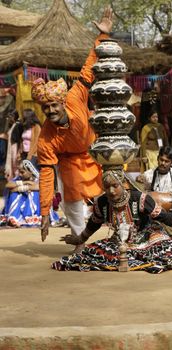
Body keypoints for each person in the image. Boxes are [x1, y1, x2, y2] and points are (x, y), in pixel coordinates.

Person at [31, 7, 113, 243]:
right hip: (70, 164)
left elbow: (89, 67)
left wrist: (102, 36)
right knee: (73, 200)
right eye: (46, 108)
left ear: (61, 102)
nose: (50, 111)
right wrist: (45, 212)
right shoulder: (46, 137)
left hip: (97, 153)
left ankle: (118, 236)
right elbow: (46, 175)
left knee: (113, 193)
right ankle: (80, 240)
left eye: (54, 106)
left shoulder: (76, 95)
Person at [51, 169, 172, 273]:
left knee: (167, 253)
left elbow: (166, 217)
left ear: (124, 184)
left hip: (147, 236)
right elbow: (93, 225)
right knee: (91, 254)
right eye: (107, 187)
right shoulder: (102, 203)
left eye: (115, 186)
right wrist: (79, 239)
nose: (111, 191)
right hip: (119, 241)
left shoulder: (140, 198)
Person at [137, 146, 172, 221]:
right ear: (157, 158)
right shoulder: (148, 175)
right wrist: (139, 182)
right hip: (153, 212)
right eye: (161, 160)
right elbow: (142, 195)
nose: (163, 163)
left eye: (166, 161)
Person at [0, 160, 59, 227]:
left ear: (30, 172)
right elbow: (8, 185)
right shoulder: (19, 178)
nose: (20, 174)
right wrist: (25, 183)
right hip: (22, 201)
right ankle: (14, 218)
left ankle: (30, 217)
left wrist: (22, 188)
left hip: (35, 205)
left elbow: (40, 187)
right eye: (19, 172)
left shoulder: (38, 178)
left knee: (34, 193)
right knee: (14, 194)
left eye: (22, 172)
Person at [140, 106, 168, 172]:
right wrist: (144, 156)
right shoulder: (146, 128)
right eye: (153, 117)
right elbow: (143, 142)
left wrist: (166, 151)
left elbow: (165, 139)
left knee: (161, 169)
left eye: (156, 117)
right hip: (150, 153)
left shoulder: (161, 126)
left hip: (160, 151)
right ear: (149, 118)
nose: (155, 119)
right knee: (153, 170)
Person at [5, 109, 23, 180]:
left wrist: (19, 151)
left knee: (15, 165)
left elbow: (20, 139)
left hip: (15, 148)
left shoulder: (18, 125)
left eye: (9, 117)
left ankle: (17, 180)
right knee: (12, 165)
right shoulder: (13, 125)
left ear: (13, 116)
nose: (8, 119)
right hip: (11, 147)